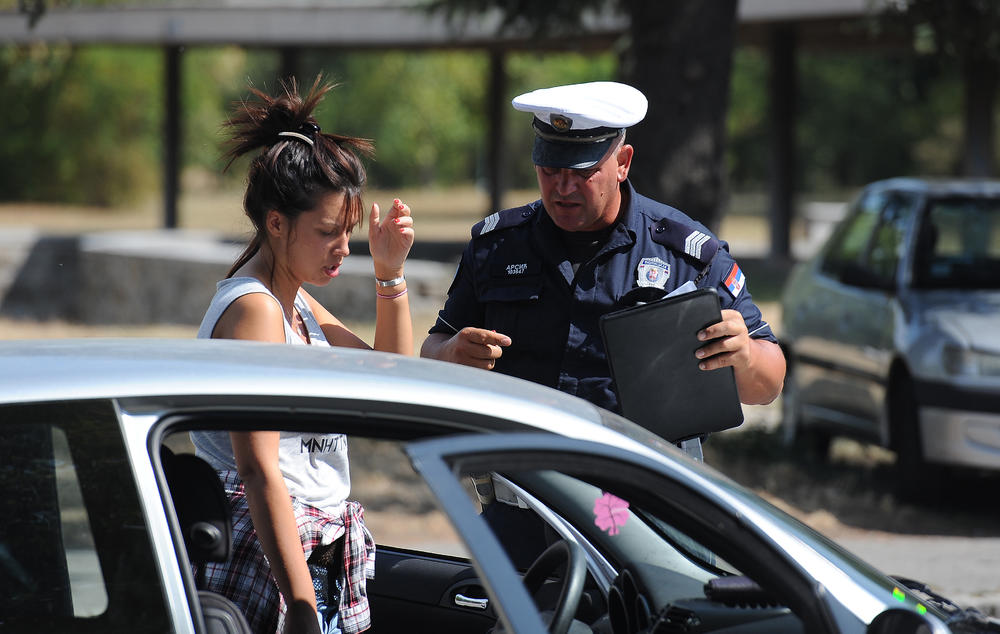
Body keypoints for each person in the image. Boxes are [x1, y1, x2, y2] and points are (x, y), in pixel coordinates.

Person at [420, 80, 785, 565]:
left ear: (623, 162)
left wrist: (743, 355)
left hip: (640, 511)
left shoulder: (686, 255)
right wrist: (452, 354)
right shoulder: (496, 245)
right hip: (527, 508)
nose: (562, 187)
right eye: (549, 169)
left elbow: (768, 383)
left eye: (581, 171)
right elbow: (434, 350)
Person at [190, 76, 414, 634]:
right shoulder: (257, 311)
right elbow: (258, 467)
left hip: (318, 556)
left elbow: (393, 379)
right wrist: (300, 604)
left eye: (348, 232)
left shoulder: (294, 300)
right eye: (326, 232)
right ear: (275, 223)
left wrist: (391, 277)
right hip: (277, 569)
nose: (343, 248)